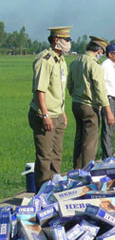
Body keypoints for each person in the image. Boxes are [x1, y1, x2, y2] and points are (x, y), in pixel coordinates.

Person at [28, 26, 72, 191]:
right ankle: (42, 193)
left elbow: (58, 91)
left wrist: (63, 112)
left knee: (56, 155)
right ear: (56, 40)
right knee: (45, 157)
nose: (69, 43)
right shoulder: (45, 60)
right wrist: (45, 114)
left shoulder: (60, 60)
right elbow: (40, 90)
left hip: (58, 114)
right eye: (66, 40)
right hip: (44, 115)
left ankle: (55, 188)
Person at [67, 36, 115, 170]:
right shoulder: (94, 65)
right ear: (99, 50)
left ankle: (76, 169)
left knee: (79, 138)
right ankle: (87, 171)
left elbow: (69, 83)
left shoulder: (76, 61)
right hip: (89, 106)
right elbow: (100, 90)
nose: (102, 54)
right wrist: (108, 111)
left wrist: (75, 94)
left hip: (76, 104)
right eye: (102, 52)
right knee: (90, 141)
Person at [100, 43, 115, 159]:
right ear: (110, 54)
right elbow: (102, 87)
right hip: (108, 100)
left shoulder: (114, 65)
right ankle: (107, 156)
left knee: (112, 128)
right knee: (108, 129)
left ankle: (109, 153)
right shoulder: (105, 66)